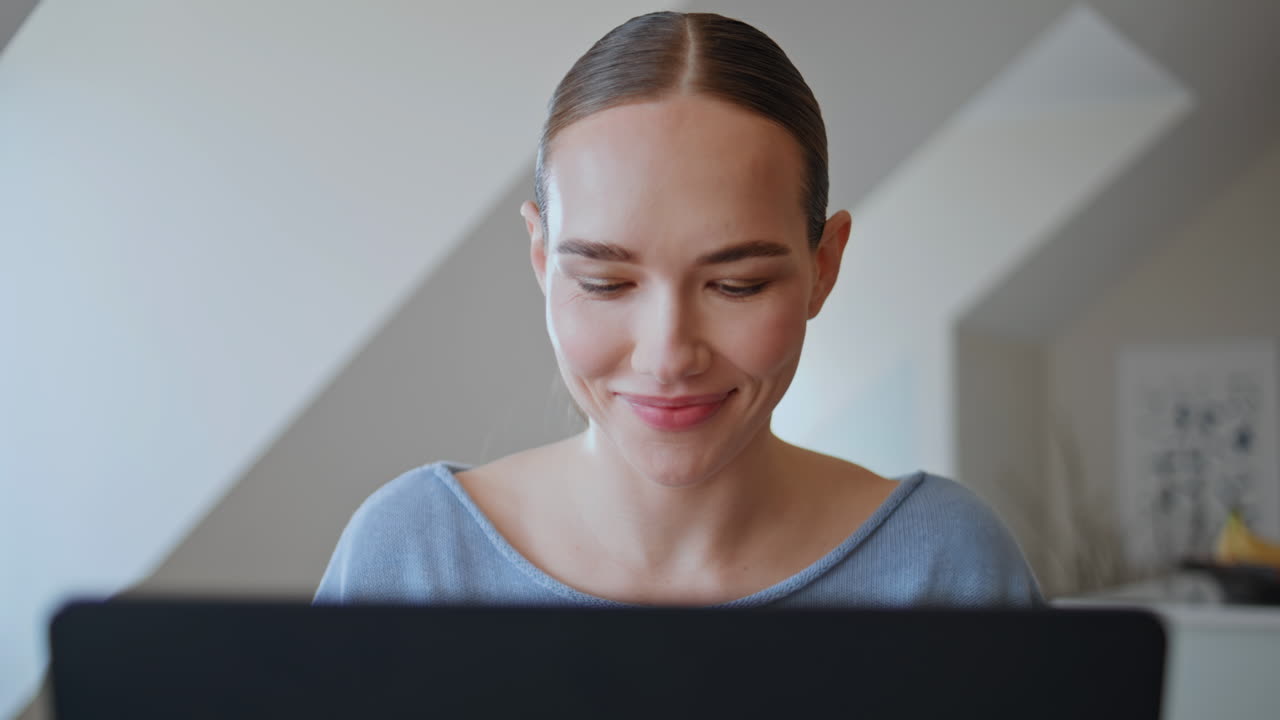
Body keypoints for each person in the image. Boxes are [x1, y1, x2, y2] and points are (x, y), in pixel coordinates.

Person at [314, 11, 1042, 608]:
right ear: (543, 261)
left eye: (737, 285)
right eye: (605, 283)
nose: (668, 356)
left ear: (823, 266)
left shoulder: (949, 567)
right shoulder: (411, 558)